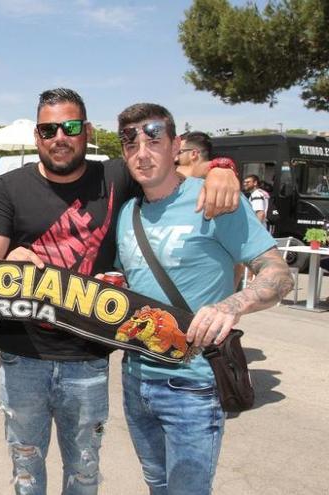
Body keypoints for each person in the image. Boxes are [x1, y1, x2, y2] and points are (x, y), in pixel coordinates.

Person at [0, 88, 241, 495]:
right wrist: (7, 258)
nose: (59, 136)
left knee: (84, 471)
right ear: (37, 137)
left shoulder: (115, 176)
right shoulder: (9, 186)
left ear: (87, 131)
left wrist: (222, 167)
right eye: (48, 128)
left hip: (89, 358)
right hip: (22, 355)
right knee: (25, 467)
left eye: (71, 126)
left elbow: (166, 169)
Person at [114, 102, 293, 494]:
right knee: (157, 485)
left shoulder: (214, 200)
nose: (141, 152)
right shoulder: (128, 212)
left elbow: (279, 274)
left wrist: (233, 305)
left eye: (153, 139)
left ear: (176, 145)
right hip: (135, 378)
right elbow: (128, 279)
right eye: (130, 143)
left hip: (192, 387)